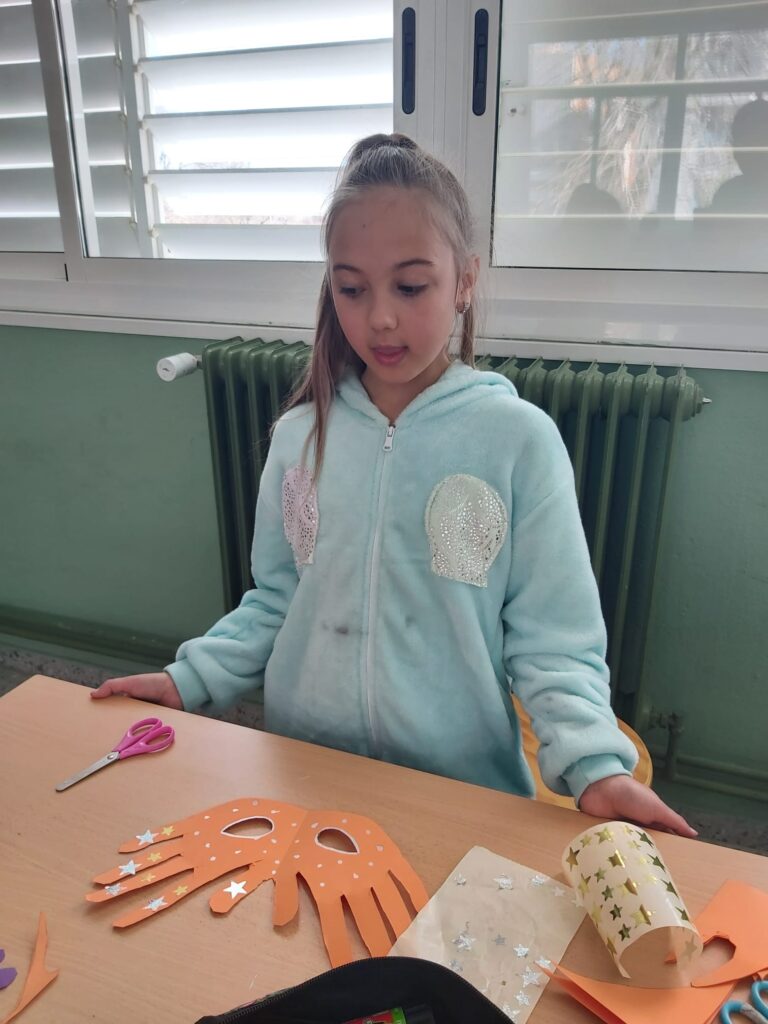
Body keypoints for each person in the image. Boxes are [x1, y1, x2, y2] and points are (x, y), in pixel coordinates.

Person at [93, 133, 695, 836]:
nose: (379, 317)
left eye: (410, 287)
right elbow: (277, 600)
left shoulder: (518, 441)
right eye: (352, 289)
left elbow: (554, 640)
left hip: (459, 795)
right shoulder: (299, 438)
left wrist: (596, 767)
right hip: (306, 776)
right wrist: (188, 680)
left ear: (464, 281)